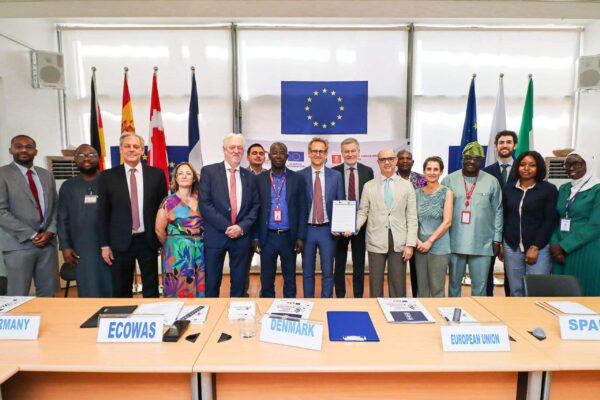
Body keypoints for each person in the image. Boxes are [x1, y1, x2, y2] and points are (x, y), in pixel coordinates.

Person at [98, 133, 167, 298]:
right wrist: (104, 245)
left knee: (151, 288)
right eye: (127, 146)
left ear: (142, 150)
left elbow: (163, 209)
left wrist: (163, 239)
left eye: (136, 147)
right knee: (121, 289)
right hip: (120, 242)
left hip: (148, 241)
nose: (131, 150)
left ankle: (151, 314)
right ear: (121, 149)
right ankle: (124, 314)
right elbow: (102, 213)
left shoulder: (156, 174)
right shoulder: (107, 176)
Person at [199, 133, 259, 297]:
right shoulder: (209, 172)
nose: (236, 151)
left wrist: (241, 227)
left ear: (243, 151)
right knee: (212, 283)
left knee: (239, 284)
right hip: (216, 236)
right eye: (232, 147)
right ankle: (212, 312)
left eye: (240, 148)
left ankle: (236, 312)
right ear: (224, 149)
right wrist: (228, 227)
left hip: (241, 237)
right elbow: (205, 204)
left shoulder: (250, 177)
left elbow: (255, 206)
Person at [442, 142, 503, 297]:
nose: (471, 161)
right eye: (467, 157)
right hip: (455, 241)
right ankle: (453, 310)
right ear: (462, 158)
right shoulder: (449, 180)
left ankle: (477, 311)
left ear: (482, 160)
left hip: (482, 242)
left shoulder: (491, 181)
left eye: (476, 158)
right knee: (454, 284)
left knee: (480, 286)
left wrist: (497, 239)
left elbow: (498, 210)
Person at [0, 135, 58, 297]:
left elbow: (56, 207)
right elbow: (1, 212)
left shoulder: (46, 175)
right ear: (10, 150)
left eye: (29, 146)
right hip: (17, 245)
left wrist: (50, 231)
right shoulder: (2, 174)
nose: (24, 149)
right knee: (18, 295)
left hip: (47, 244)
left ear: (36, 151)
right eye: (18, 146)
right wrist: (32, 235)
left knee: (49, 294)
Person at [356, 148, 417, 298]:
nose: (387, 162)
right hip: (376, 239)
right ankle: (376, 310)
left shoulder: (407, 186)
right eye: (383, 159)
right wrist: (352, 227)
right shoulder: (369, 186)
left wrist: (410, 244)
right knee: (375, 284)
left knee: (398, 284)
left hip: (399, 240)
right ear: (378, 162)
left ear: (395, 161)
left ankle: (397, 310)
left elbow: (412, 217)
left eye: (390, 159)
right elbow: (363, 212)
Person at [252, 142, 307, 298]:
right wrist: (255, 236)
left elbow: (303, 209)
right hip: (267, 236)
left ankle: (289, 307)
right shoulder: (259, 179)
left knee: (290, 277)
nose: (278, 156)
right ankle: (267, 305)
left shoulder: (298, 179)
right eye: (274, 153)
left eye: (282, 153)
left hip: (289, 236)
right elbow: (255, 210)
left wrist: (300, 236)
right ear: (269, 156)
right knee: (266, 278)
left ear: (287, 156)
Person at [57, 144, 112, 297]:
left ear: (98, 158)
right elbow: (62, 218)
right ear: (75, 159)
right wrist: (65, 246)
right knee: (89, 287)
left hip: (109, 244)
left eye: (91, 155)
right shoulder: (68, 186)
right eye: (81, 155)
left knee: (112, 286)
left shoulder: (109, 181)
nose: (86, 158)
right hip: (82, 246)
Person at [501, 151, 558, 297]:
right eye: (523, 164)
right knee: (515, 290)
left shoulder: (548, 189)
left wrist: (535, 246)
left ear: (539, 168)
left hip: (539, 247)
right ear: (517, 166)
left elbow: (550, 220)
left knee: (537, 290)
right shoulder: (508, 188)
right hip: (512, 246)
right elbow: (504, 217)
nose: (526, 168)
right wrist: (502, 243)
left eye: (532, 165)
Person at [299, 137, 344, 298]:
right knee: (307, 272)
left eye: (321, 151)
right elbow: (297, 206)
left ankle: (326, 303)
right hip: (307, 230)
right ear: (309, 153)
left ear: (326, 154)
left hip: (328, 230)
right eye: (314, 151)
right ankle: (309, 303)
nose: (318, 154)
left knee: (328, 272)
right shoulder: (300, 176)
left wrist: (339, 226)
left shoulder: (336, 176)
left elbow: (340, 202)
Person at [551, 150, 600, 296]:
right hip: (559, 248)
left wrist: (564, 246)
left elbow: (595, 225)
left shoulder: (597, 189)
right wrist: (554, 244)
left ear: (588, 165)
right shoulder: (564, 188)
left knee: (583, 292)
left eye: (577, 164)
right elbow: (557, 218)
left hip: (585, 248)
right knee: (560, 293)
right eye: (567, 164)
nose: (571, 168)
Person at [155, 162, 205, 298]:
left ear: (193, 178)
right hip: (177, 253)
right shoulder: (168, 201)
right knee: (178, 287)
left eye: (188, 173)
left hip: (199, 251)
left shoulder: (201, 200)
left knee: (199, 286)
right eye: (180, 174)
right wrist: (172, 245)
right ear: (175, 178)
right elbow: (159, 230)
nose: (184, 176)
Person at [333, 138, 374, 298]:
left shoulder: (368, 171)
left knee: (359, 263)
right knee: (339, 263)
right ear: (342, 153)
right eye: (346, 151)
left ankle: (358, 297)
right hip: (339, 224)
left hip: (360, 224)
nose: (350, 154)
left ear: (358, 152)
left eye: (352, 151)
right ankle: (340, 296)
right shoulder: (334, 171)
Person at [483, 130, 518, 296]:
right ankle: (487, 302)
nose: (505, 145)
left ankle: (511, 303)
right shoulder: (486, 172)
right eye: (501, 142)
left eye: (508, 142)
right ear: (496, 146)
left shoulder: (523, 170)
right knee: (486, 271)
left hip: (515, 229)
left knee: (513, 275)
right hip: (490, 230)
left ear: (515, 145)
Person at [415, 156, 453, 297]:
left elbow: (447, 222)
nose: (432, 172)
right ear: (424, 171)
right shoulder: (417, 193)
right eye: (429, 169)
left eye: (435, 169)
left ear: (441, 172)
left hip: (439, 245)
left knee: (437, 289)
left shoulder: (447, 193)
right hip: (420, 246)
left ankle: (437, 312)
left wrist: (429, 241)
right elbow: (412, 220)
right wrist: (418, 241)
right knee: (422, 288)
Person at [396, 149, 426, 297]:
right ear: (396, 161)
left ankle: (416, 298)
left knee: (417, 270)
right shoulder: (390, 179)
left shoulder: (422, 180)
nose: (405, 161)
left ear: (413, 162)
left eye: (408, 158)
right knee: (397, 270)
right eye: (401, 158)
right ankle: (398, 299)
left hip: (417, 230)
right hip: (397, 229)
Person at [244, 143, 266, 296]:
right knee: (243, 268)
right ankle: (242, 298)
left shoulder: (270, 175)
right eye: (254, 153)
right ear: (248, 157)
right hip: (245, 229)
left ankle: (265, 297)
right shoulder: (240, 174)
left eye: (261, 153)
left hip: (265, 229)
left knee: (267, 268)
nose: (258, 155)